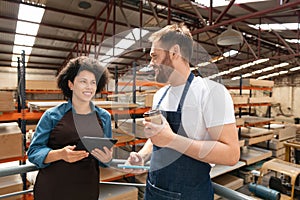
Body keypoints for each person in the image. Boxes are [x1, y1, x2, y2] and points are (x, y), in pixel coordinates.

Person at [126, 23, 240, 200]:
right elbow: (158, 137)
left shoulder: (210, 93)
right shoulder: (160, 95)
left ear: (174, 52)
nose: (151, 63)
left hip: (190, 194)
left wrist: (172, 140)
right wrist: (143, 155)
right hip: (154, 189)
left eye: (155, 56)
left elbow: (231, 154)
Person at [27, 56, 113, 200]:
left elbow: (105, 159)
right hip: (53, 188)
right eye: (83, 81)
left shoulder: (104, 117)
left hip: (86, 188)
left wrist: (107, 158)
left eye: (93, 82)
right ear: (71, 84)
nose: (89, 87)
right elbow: (34, 152)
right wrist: (60, 154)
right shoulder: (52, 115)